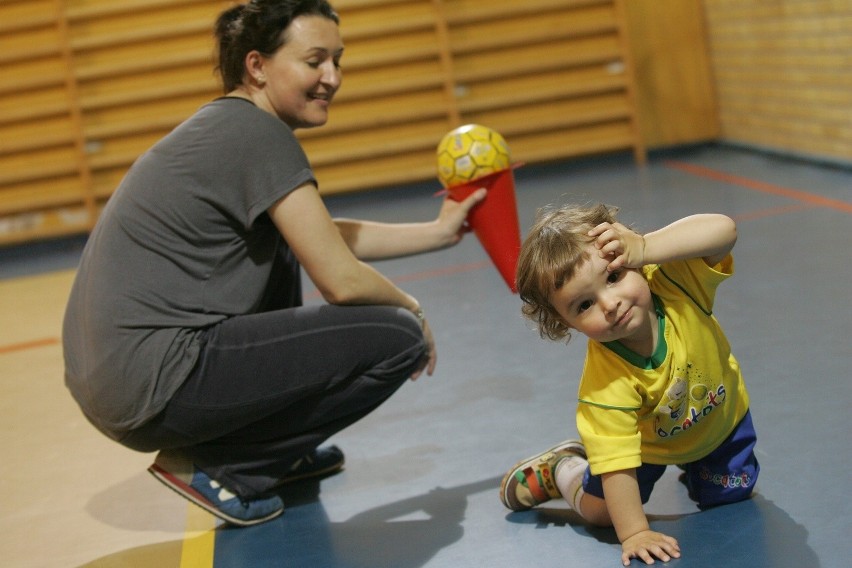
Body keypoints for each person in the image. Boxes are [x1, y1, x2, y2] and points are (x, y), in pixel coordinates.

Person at [62, 0, 486, 527]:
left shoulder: (231, 126)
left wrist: (439, 232)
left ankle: (281, 449)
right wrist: (413, 311)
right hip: (156, 384)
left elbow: (321, 237)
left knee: (285, 246)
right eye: (314, 61)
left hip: (121, 383)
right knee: (395, 337)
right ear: (257, 66)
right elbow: (341, 281)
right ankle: (231, 469)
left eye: (338, 60)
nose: (331, 77)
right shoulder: (258, 135)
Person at [499, 203, 759, 565]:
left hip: (720, 423)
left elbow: (724, 230)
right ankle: (563, 470)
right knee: (603, 515)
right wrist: (635, 532)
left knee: (730, 496)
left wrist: (647, 246)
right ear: (565, 324)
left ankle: (697, 466)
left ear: (629, 258)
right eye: (584, 304)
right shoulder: (604, 387)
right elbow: (618, 464)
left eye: (614, 276)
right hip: (648, 448)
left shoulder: (677, 286)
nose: (610, 304)